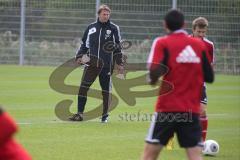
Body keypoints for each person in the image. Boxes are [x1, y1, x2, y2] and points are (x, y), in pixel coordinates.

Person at [141, 9, 214, 160]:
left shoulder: (162, 42)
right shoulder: (199, 46)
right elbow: (210, 77)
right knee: (195, 156)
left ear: (165, 25)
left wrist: (152, 79)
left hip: (166, 109)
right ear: (185, 24)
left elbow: (153, 74)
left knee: (149, 156)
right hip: (191, 111)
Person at [69, 4, 124, 122]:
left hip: (106, 66)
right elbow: (85, 44)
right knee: (83, 88)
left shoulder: (114, 28)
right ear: (98, 14)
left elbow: (118, 47)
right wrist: (79, 56)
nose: (106, 16)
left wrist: (119, 63)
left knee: (105, 91)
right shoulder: (91, 28)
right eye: (104, 14)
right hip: (92, 65)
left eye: (108, 14)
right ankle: (79, 114)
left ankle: (105, 116)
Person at [192, 17, 215, 142]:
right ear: (193, 30)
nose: (201, 35)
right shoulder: (185, 42)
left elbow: (210, 66)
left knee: (202, 111)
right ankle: (169, 136)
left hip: (200, 84)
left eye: (203, 32)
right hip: (184, 84)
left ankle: (202, 142)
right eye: (198, 32)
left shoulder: (209, 45)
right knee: (178, 112)